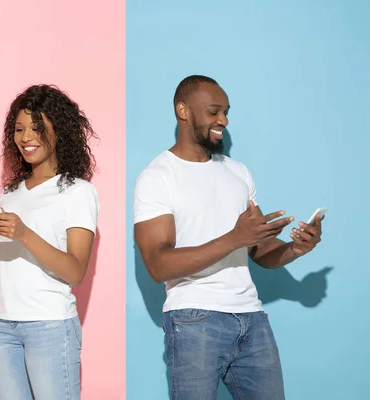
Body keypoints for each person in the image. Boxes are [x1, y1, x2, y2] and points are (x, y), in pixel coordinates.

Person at [133, 75, 325, 400]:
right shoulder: (157, 178)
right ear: (183, 110)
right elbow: (157, 264)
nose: (224, 120)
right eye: (214, 111)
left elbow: (260, 249)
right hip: (194, 320)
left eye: (226, 111)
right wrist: (235, 237)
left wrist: (296, 248)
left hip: (251, 318)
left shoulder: (238, 173)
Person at [0, 84, 99, 400]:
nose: (25, 137)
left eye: (37, 127)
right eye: (19, 129)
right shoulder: (10, 194)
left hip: (49, 327)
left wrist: (23, 233)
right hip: (2, 325)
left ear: (60, 130)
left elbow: (75, 271)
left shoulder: (78, 192)